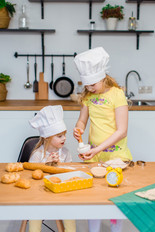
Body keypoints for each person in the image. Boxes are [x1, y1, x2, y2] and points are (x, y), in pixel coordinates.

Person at [73, 47, 132, 232]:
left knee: (115, 201)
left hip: (116, 157)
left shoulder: (117, 94)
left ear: (102, 77)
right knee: (93, 200)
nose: (89, 89)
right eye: (87, 86)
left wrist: (97, 149)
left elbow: (122, 131)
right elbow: (83, 120)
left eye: (93, 85)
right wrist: (79, 129)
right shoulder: (89, 97)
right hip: (94, 156)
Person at [28, 105, 76, 232]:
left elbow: (70, 174)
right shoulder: (38, 154)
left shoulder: (65, 153)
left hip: (61, 193)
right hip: (40, 193)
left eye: (64, 135)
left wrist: (60, 166)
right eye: (59, 136)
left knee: (69, 212)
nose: (64, 138)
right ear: (48, 137)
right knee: (35, 212)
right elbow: (32, 177)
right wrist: (45, 165)